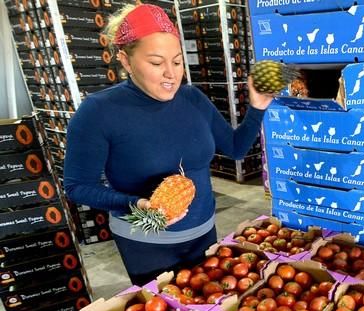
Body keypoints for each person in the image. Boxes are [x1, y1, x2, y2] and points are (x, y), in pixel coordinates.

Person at [64, 3, 273, 286]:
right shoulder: (98, 112)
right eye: (155, 62)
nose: (171, 74)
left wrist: (257, 107)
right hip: (147, 246)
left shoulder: (192, 99)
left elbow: (235, 148)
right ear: (125, 61)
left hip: (204, 233)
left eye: (176, 62)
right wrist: (134, 203)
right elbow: (77, 186)